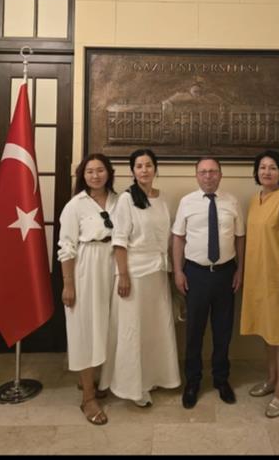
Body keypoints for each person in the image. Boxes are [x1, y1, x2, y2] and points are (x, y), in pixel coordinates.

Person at [99, 149, 180, 407]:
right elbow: (119, 240)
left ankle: (153, 377)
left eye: (148, 165)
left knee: (155, 328)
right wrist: (123, 275)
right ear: (132, 171)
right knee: (132, 330)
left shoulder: (162, 198)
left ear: (155, 168)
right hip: (134, 273)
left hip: (158, 272)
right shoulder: (127, 199)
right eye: (139, 166)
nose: (144, 170)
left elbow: (167, 238)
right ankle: (133, 386)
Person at [172, 157, 245, 409]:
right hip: (195, 274)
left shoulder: (232, 202)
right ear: (196, 175)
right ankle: (192, 381)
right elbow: (178, 238)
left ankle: (221, 379)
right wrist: (178, 271)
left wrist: (241, 270)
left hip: (225, 273)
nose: (208, 176)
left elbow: (240, 238)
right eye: (203, 172)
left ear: (221, 175)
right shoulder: (186, 202)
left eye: (213, 171)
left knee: (223, 330)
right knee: (194, 331)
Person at [240, 150, 279, 418]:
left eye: (273, 168)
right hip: (259, 279)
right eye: (262, 167)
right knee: (268, 334)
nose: (266, 172)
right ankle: (271, 379)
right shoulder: (255, 200)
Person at [58, 153, 118, 425]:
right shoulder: (75, 205)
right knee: (85, 329)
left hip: (114, 265)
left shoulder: (120, 201)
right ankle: (88, 399)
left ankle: (96, 380)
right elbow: (66, 247)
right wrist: (68, 284)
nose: (95, 175)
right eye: (90, 171)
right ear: (83, 175)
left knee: (108, 327)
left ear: (109, 173)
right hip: (86, 268)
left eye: (100, 170)